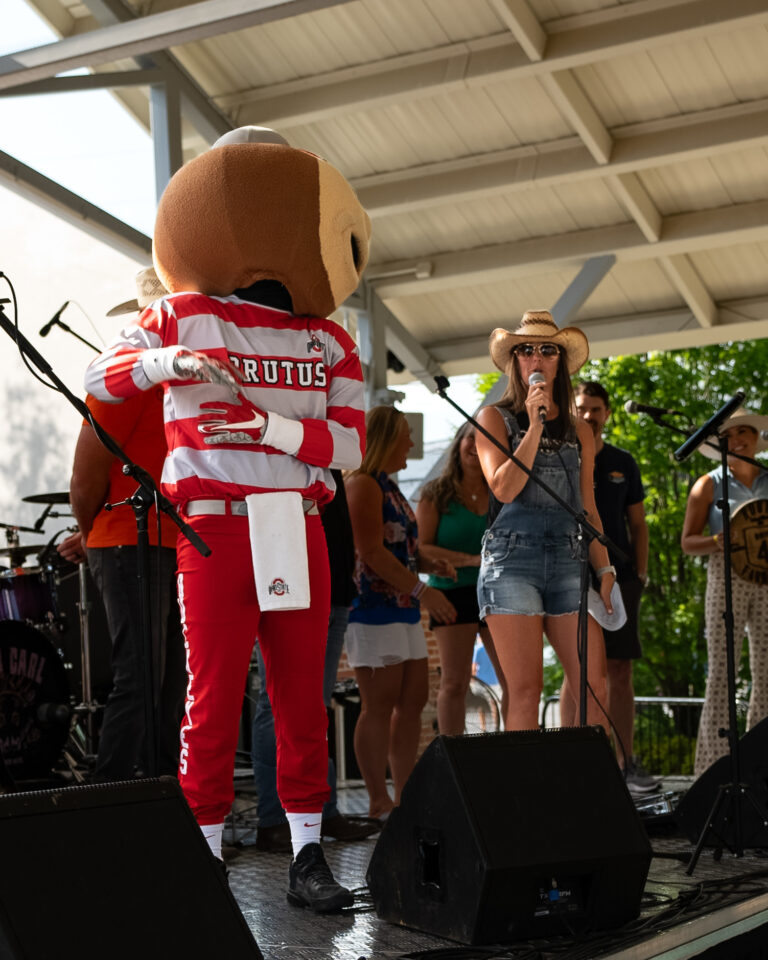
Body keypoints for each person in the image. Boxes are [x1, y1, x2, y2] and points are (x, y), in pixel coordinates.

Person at [84, 131, 371, 913]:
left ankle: (307, 854)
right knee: (210, 700)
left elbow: (349, 444)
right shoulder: (182, 313)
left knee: (300, 699)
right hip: (213, 528)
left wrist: (269, 430)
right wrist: (167, 363)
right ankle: (204, 855)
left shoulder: (329, 336)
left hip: (293, 524)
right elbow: (97, 376)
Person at [58, 267, 186, 781]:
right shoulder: (123, 384)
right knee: (141, 675)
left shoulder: (183, 384)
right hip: (129, 543)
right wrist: (92, 536)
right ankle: (111, 798)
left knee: (173, 679)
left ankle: (164, 794)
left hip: (175, 542)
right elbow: (84, 478)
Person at [475, 310, 611, 733]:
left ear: (560, 362)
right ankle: (521, 797)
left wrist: (604, 567)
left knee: (595, 683)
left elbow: (587, 505)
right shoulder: (493, 419)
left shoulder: (579, 431)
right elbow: (503, 488)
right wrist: (533, 427)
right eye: (525, 350)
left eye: (547, 350)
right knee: (527, 690)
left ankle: (583, 787)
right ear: (515, 361)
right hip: (512, 562)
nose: (536, 358)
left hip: (569, 560)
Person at [251, 469, 380, 852]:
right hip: (290, 582)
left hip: (332, 588)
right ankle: (274, 820)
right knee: (276, 704)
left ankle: (322, 810)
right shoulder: (293, 442)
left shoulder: (331, 454)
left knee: (312, 708)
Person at [345, 405, 456, 821]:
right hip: (374, 609)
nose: (412, 442)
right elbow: (370, 552)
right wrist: (423, 590)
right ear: (386, 439)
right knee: (379, 703)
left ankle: (405, 796)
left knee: (413, 701)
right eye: (405, 435)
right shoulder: (362, 486)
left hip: (403, 608)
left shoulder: (387, 485)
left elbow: (399, 547)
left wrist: (428, 563)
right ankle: (377, 801)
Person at [559, 381, 656, 793]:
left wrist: (640, 571)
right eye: (581, 408)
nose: (588, 415)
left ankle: (625, 762)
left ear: (608, 413)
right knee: (574, 668)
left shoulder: (623, 462)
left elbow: (638, 523)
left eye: (596, 409)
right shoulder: (561, 455)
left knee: (620, 669)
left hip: (620, 575)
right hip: (571, 573)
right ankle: (569, 757)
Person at [681, 409, 768, 776]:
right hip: (724, 573)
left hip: (766, 576)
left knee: (766, 672)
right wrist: (718, 541)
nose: (738, 440)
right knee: (721, 673)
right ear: (720, 443)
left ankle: (760, 765)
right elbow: (687, 542)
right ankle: (713, 772)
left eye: (745, 432)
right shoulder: (709, 484)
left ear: (755, 438)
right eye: (730, 435)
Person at [416, 422, 507, 734]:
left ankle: (517, 750)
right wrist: (471, 560)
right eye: (470, 438)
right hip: (451, 593)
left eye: (484, 440)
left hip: (498, 592)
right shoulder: (435, 494)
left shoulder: (502, 493)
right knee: (455, 682)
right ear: (458, 443)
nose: (474, 446)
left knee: (513, 679)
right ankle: (453, 757)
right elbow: (421, 549)